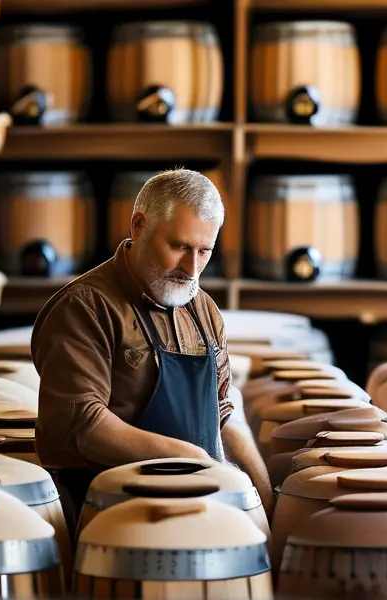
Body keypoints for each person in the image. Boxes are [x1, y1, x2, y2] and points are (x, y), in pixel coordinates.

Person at [30, 168, 272, 532]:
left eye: (204, 251)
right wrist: (195, 461)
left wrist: (262, 498)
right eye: (179, 247)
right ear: (139, 226)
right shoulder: (85, 308)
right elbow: (83, 423)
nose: (192, 268)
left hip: (202, 504)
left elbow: (222, 410)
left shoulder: (203, 309)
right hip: (111, 514)